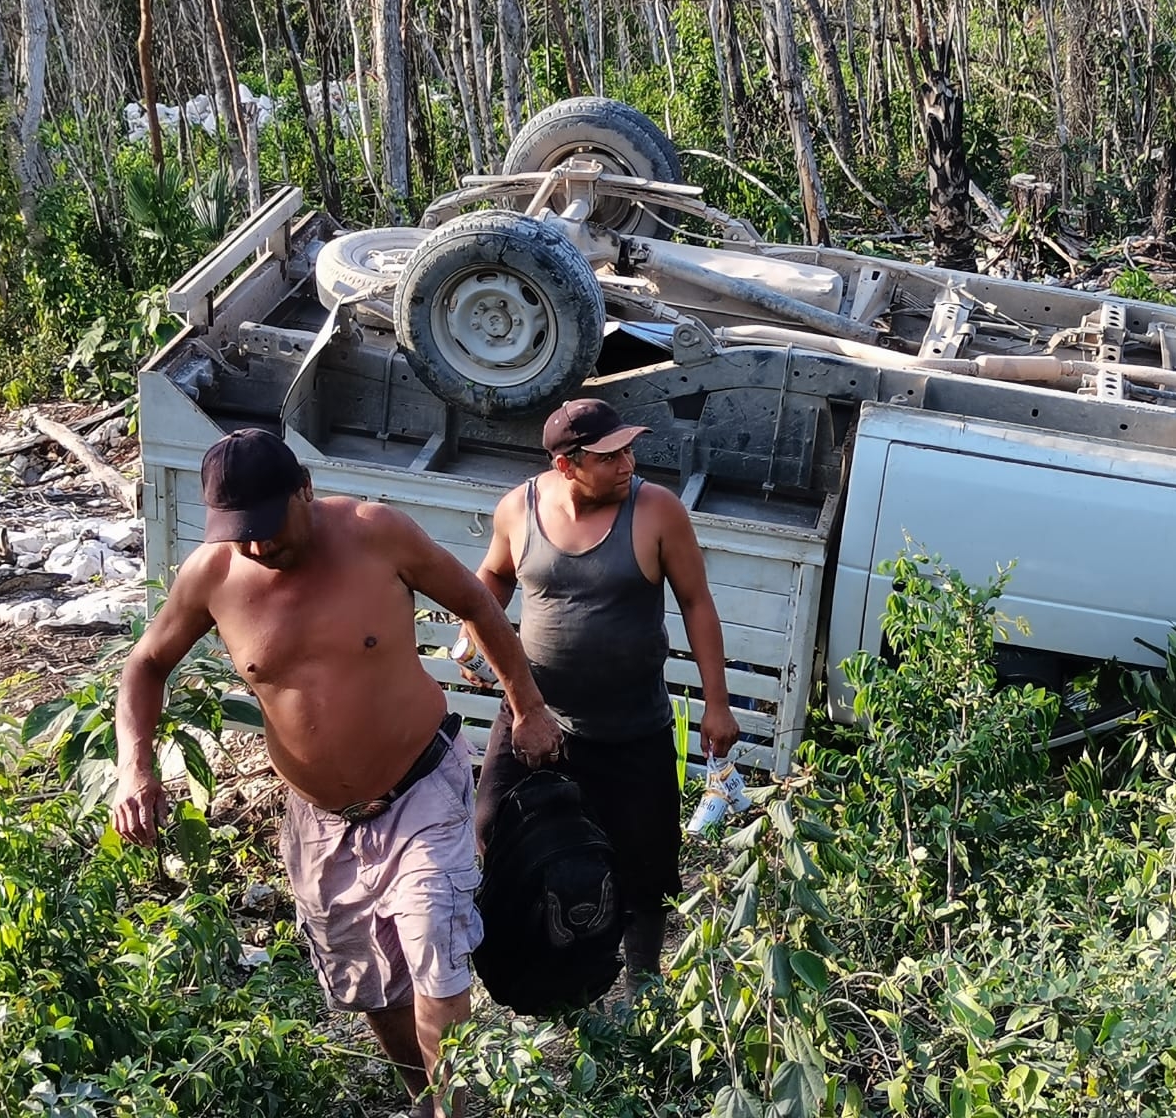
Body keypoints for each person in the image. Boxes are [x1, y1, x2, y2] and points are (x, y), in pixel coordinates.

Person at [110, 428, 560, 1118]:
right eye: (241, 532)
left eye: (267, 525)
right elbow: (144, 665)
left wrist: (526, 706)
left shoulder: (376, 533)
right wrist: (134, 767)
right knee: (371, 982)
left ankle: (456, 1111)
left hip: (421, 785)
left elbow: (475, 602)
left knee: (432, 950)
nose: (258, 546)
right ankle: (424, 1100)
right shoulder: (213, 575)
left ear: (305, 491)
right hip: (317, 818)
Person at [466, 398, 740, 982]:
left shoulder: (656, 511)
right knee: (493, 829)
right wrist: (476, 639)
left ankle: (642, 981)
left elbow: (696, 602)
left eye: (628, 450)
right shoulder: (520, 508)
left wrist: (717, 704)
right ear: (567, 466)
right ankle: (532, 956)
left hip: (631, 729)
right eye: (609, 455)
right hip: (535, 717)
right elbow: (491, 577)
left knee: (647, 866)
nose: (628, 463)